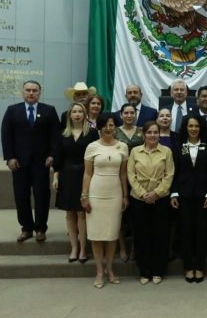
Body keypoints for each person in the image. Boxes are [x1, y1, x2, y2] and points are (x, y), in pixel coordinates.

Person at [1, 80, 60, 243]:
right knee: (21, 196)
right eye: (28, 90)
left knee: (42, 195)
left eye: (35, 90)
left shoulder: (49, 110)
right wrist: (10, 157)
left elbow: (55, 136)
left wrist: (53, 155)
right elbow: (6, 135)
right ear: (22, 92)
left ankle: (40, 228)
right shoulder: (12, 110)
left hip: (42, 162)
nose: (31, 93)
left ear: (40, 93)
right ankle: (26, 228)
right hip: (19, 163)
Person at [80, 115, 129, 289]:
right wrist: (84, 196)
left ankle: (110, 269)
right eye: (105, 125)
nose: (109, 128)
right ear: (99, 127)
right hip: (96, 193)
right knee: (97, 235)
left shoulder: (122, 147)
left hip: (115, 194)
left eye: (112, 125)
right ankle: (99, 271)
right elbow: (87, 174)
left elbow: (123, 174)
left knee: (111, 235)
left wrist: (125, 195)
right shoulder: (92, 147)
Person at [127, 121, 174, 285]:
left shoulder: (166, 151)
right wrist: (143, 194)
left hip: (160, 199)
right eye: (149, 132)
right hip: (139, 199)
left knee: (161, 235)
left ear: (159, 134)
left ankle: (158, 270)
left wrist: (156, 193)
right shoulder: (135, 151)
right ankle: (144, 271)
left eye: (155, 132)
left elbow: (169, 175)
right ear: (143, 135)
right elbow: (130, 175)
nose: (152, 135)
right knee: (142, 236)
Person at [53, 102, 99, 264]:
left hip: (85, 175)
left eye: (80, 111)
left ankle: (83, 249)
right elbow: (58, 158)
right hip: (66, 175)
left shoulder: (92, 133)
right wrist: (56, 177)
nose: (77, 114)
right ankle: (74, 248)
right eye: (74, 112)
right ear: (69, 115)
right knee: (69, 213)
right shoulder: (62, 134)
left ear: (85, 115)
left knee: (81, 213)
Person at [170, 115, 207, 283]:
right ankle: (188, 267)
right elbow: (174, 171)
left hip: (203, 197)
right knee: (186, 232)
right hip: (184, 196)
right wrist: (174, 193)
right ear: (185, 128)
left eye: (196, 126)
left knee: (202, 232)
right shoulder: (179, 147)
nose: (193, 129)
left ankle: (200, 267)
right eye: (190, 126)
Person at [115, 103, 142, 262]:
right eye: (126, 113)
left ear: (136, 115)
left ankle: (134, 249)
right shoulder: (114, 131)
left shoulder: (142, 131)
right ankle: (122, 247)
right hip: (119, 176)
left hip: (139, 177)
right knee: (120, 214)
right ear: (121, 115)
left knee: (136, 216)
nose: (129, 115)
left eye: (132, 113)